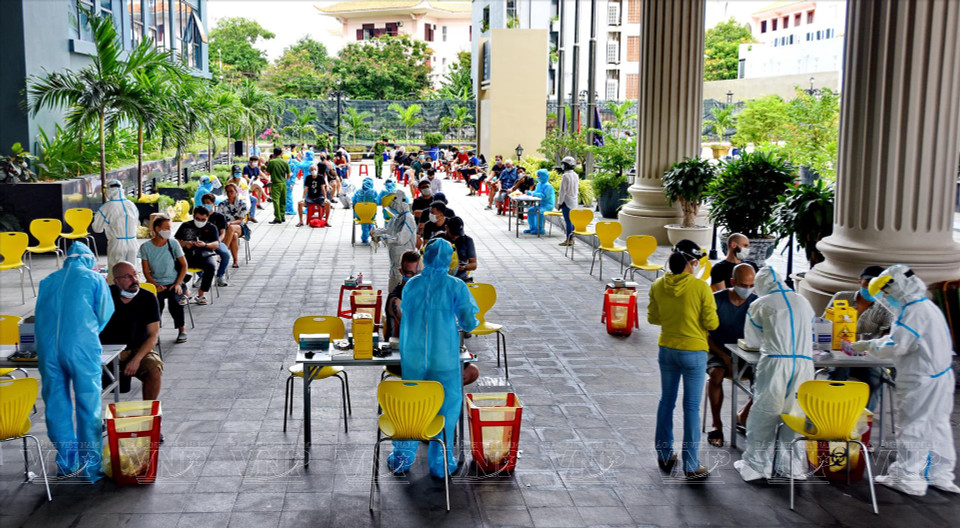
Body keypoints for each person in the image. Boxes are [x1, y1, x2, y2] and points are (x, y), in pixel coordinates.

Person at [848, 265, 960, 496]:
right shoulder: (923, 306)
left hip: (921, 380)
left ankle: (908, 478)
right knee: (937, 426)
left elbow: (897, 346)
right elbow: (905, 337)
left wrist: (868, 346)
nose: (886, 299)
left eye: (886, 294)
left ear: (896, 288)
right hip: (940, 377)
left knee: (913, 426)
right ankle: (939, 474)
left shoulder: (913, 312)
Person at [388, 239, 480, 477]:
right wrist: (468, 321)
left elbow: (406, 316)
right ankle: (440, 462)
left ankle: (402, 459)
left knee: (412, 407)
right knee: (446, 409)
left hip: (414, 358)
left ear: (425, 257)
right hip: (444, 359)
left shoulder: (412, 285)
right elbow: (469, 320)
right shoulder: (456, 286)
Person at [35, 241, 114, 482]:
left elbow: (39, 317)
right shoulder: (94, 278)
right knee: (88, 405)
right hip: (81, 348)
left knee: (57, 406)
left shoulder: (48, 281)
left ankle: (67, 463)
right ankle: (90, 467)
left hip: (49, 351)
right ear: (88, 259)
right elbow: (104, 312)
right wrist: (89, 332)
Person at [734, 266, 816, 482]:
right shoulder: (803, 302)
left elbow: (751, 341)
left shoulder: (760, 304)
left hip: (775, 364)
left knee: (765, 412)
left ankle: (755, 465)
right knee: (795, 414)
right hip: (805, 365)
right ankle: (791, 466)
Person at [647, 240, 718, 480]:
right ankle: (691, 464)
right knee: (691, 407)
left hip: (667, 349)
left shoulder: (658, 284)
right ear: (690, 263)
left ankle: (664, 453)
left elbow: (653, 318)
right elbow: (712, 323)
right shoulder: (700, 288)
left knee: (666, 401)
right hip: (694, 353)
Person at [824, 265, 894, 411]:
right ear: (860, 281)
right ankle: (834, 416)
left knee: (875, 381)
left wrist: (870, 344)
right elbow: (823, 324)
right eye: (868, 282)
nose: (870, 288)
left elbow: (887, 336)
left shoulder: (886, 308)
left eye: (877, 285)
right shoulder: (841, 297)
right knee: (838, 375)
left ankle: (863, 422)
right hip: (839, 355)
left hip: (868, 358)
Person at [705, 264, 758, 447]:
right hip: (717, 350)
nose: (748, 290)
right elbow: (705, 334)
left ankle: (742, 415)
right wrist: (724, 356)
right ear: (733, 282)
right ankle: (716, 424)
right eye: (744, 285)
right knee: (716, 374)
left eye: (751, 285)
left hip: (746, 353)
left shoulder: (756, 303)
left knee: (765, 379)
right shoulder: (716, 300)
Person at [99, 261, 162, 400]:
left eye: (135, 275)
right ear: (116, 281)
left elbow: (153, 335)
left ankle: (149, 413)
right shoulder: (105, 296)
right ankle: (94, 418)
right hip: (108, 349)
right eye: (127, 277)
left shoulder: (148, 298)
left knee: (154, 369)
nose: (134, 280)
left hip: (138, 349)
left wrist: (137, 359)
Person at [139, 216, 189, 343]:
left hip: (174, 282)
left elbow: (184, 265)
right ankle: (154, 334)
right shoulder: (146, 247)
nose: (169, 231)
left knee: (175, 301)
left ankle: (182, 330)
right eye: (166, 228)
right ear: (157, 229)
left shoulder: (173, 243)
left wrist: (178, 283)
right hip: (156, 283)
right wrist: (155, 285)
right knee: (154, 304)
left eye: (169, 228)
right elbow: (146, 271)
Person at [92, 180, 140, 283]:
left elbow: (97, 228)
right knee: (133, 274)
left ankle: (116, 298)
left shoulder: (107, 207)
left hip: (117, 244)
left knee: (116, 276)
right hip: (133, 243)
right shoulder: (131, 205)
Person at [372, 190, 417, 292]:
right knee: (392, 292)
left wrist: (382, 238)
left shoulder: (408, 218)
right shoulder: (396, 217)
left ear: (398, 202)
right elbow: (389, 230)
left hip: (404, 263)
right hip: (395, 263)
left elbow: (400, 239)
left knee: (400, 295)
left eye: (391, 206)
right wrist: (376, 232)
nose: (391, 209)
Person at [175, 206, 219, 305]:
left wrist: (205, 245)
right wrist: (185, 243)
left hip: (204, 255)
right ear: (194, 216)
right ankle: (184, 292)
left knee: (211, 266)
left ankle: (201, 293)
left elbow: (216, 244)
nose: (200, 221)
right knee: (174, 265)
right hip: (187, 255)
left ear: (207, 218)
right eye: (198, 219)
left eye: (203, 219)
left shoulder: (211, 228)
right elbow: (176, 241)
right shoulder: (186, 226)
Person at [213, 184, 249, 268]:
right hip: (226, 229)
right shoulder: (222, 204)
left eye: (232, 191)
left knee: (232, 228)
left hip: (240, 227)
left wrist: (230, 223)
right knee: (234, 236)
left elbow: (240, 220)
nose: (229, 194)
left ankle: (222, 253)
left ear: (236, 192)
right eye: (228, 192)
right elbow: (219, 218)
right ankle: (235, 261)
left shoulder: (242, 204)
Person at [199, 194, 232, 285]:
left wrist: (218, 241)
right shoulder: (200, 216)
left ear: (213, 204)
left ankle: (220, 276)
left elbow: (223, 232)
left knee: (225, 254)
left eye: (208, 203)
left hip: (216, 241)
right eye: (204, 203)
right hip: (202, 242)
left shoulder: (219, 216)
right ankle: (202, 276)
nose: (206, 205)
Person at [525, 169, 556, 235]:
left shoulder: (548, 186)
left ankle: (540, 229)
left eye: (539, 176)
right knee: (530, 210)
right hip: (540, 204)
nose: (537, 177)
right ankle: (532, 228)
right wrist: (530, 192)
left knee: (540, 212)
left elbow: (544, 196)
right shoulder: (539, 184)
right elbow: (536, 192)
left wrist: (533, 194)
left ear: (543, 176)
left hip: (548, 205)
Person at [444, 216, 476, 282]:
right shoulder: (439, 239)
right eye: (453, 234)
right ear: (446, 228)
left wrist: (464, 267)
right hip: (442, 278)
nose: (455, 237)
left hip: (461, 279)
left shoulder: (467, 240)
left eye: (458, 234)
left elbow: (474, 264)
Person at [557, 156, 578, 246]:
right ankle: (572, 238)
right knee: (572, 221)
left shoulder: (565, 176)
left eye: (564, 164)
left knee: (568, 221)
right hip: (574, 200)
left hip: (566, 201)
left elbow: (562, 191)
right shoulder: (575, 175)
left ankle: (568, 239)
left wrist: (559, 203)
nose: (562, 166)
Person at [264, 148, 289, 223]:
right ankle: (282, 216)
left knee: (276, 201)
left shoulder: (272, 162)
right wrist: (285, 180)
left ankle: (278, 218)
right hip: (283, 183)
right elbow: (289, 174)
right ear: (281, 153)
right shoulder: (285, 162)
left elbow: (267, 173)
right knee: (283, 200)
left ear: (274, 154)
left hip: (275, 183)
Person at [352, 177, 379, 243]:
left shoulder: (358, 191)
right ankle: (372, 233)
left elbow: (353, 200)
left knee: (364, 219)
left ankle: (364, 237)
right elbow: (377, 202)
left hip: (360, 215)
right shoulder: (374, 192)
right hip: (371, 215)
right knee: (370, 219)